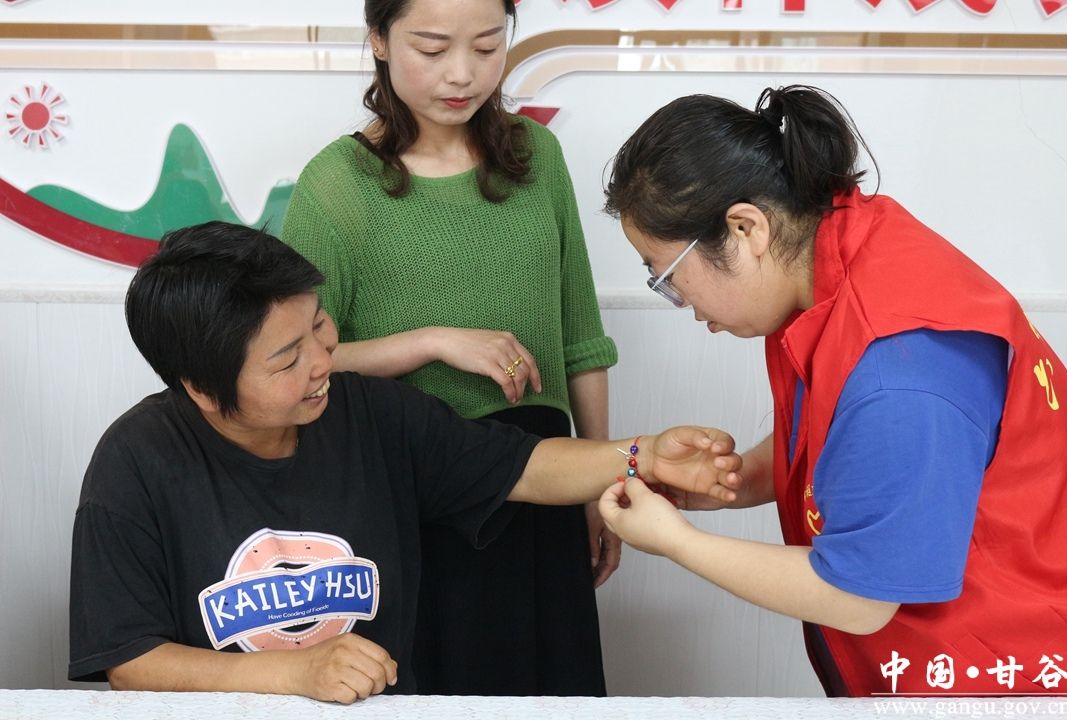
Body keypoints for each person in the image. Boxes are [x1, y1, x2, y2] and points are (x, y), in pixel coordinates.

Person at [67, 222, 736, 704]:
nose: (322, 361)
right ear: (204, 391)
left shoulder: (371, 412)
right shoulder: (136, 461)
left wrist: (642, 456)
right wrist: (295, 673)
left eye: (320, 327)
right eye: (287, 359)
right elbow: (131, 660)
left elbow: (527, 468)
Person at [598, 86, 1067, 697]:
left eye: (667, 275)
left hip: (1010, 674)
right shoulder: (835, 249)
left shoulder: (900, 368)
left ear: (746, 228)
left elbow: (859, 596)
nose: (679, 301)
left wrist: (676, 542)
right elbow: (847, 434)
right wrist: (739, 478)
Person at [280, 0, 618, 697]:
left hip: (543, 478)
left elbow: (580, 338)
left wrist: (600, 481)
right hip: (409, 494)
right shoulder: (337, 183)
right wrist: (430, 343)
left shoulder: (537, 156)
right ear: (379, 39)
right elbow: (297, 366)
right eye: (432, 49)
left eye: (487, 47)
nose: (462, 74)